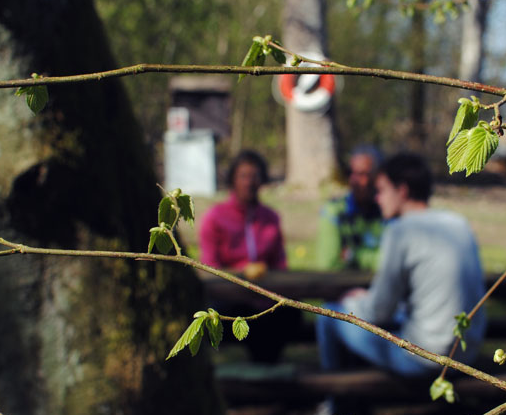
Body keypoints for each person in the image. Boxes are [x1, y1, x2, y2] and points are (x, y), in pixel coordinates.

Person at [313, 151, 487, 384]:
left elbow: (378, 311)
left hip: (426, 358)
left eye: (382, 190)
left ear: (402, 191)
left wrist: (352, 302)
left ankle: (335, 406)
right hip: (467, 352)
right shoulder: (458, 223)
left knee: (328, 318)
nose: (377, 198)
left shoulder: (402, 230)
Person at [199, 150, 287, 275]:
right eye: (243, 176)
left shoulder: (271, 219)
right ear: (233, 179)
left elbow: (280, 264)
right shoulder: (215, 218)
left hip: (266, 288)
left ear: (262, 180)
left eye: (254, 177)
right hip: (225, 288)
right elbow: (209, 265)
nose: (248, 183)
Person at [315, 146, 385, 271]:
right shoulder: (334, 212)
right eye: (351, 173)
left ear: (379, 177)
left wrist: (353, 255)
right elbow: (327, 265)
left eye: (363, 174)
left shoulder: (388, 210)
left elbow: (392, 261)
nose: (354, 180)